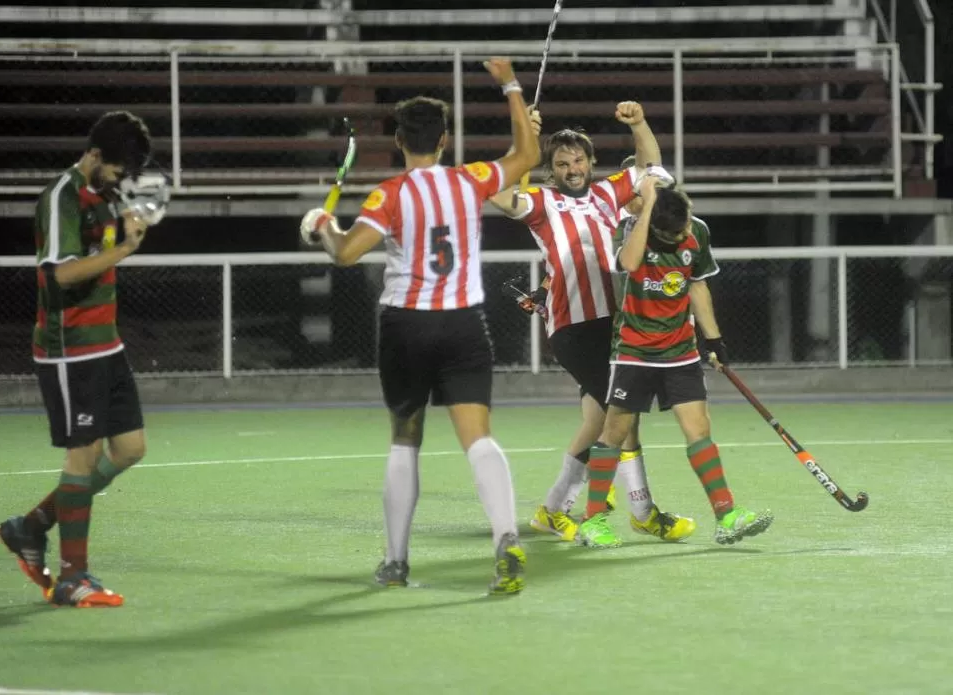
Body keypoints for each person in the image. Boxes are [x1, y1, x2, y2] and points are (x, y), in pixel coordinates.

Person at [300, 57, 541, 594]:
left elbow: (344, 254)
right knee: (478, 438)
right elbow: (529, 154)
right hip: (463, 325)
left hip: (406, 328)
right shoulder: (471, 180)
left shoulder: (389, 195)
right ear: (445, 138)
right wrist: (511, 86)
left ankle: (396, 561)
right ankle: (504, 535)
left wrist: (321, 227)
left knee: (405, 440)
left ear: (396, 141)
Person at [489, 104, 695, 548]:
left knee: (605, 419)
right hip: (573, 327)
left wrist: (639, 124)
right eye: (561, 163)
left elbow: (649, 166)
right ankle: (633, 512)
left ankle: (560, 510)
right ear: (552, 169)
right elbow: (497, 192)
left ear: (589, 162)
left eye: (578, 160)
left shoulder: (607, 195)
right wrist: (523, 141)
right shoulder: (542, 203)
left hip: (615, 323)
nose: (572, 168)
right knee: (620, 415)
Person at [0, 111, 160, 607]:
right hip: (69, 348)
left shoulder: (107, 194)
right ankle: (73, 577)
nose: (119, 181)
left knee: (130, 449)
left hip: (106, 344)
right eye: (114, 171)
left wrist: (128, 227)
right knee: (83, 456)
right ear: (93, 155)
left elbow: (105, 242)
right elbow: (59, 277)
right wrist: (125, 249)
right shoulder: (60, 197)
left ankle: (31, 526)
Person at [593, 174, 774, 544]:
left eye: (686, 227)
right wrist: (644, 212)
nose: (683, 236)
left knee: (700, 431)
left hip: (680, 351)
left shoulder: (696, 230)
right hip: (634, 351)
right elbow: (627, 263)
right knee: (613, 434)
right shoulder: (631, 232)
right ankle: (593, 521)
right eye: (675, 234)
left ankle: (727, 516)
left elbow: (697, 283)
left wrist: (714, 339)